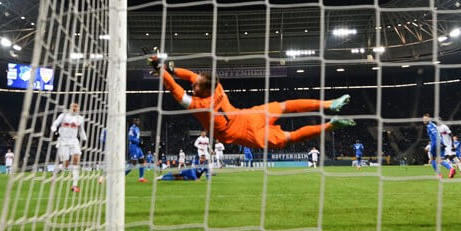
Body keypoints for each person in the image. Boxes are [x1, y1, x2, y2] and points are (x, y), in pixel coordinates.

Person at [150, 53, 354, 148]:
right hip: (247, 115)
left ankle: (329, 115)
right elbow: (188, 77)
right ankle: (329, 112)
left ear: (204, 89)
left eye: (197, 84)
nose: (193, 83)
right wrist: (171, 69)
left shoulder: (200, 106)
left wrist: (161, 70)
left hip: (243, 132)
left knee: (289, 135)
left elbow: (174, 89)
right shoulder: (216, 87)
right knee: (285, 112)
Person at [51, 102, 87, 193]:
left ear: (78, 108)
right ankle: (55, 172)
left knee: (76, 160)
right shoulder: (63, 116)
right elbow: (55, 124)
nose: (75, 108)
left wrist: (85, 138)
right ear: (70, 107)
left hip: (74, 141)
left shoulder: (80, 118)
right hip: (63, 141)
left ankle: (75, 185)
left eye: (76, 106)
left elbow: (81, 131)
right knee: (65, 164)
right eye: (73, 106)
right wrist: (55, 131)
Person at [422, 114, 454, 179]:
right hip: (441, 142)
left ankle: (439, 175)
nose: (424, 120)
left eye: (425, 119)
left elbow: (434, 134)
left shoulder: (430, 126)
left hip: (435, 143)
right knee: (439, 160)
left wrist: (437, 142)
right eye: (423, 119)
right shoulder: (434, 125)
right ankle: (451, 169)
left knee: (432, 159)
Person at [126, 118, 148, 183]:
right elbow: (130, 138)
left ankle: (141, 178)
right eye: (136, 120)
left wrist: (141, 141)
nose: (138, 122)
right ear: (134, 121)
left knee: (142, 161)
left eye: (138, 120)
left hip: (138, 147)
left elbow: (137, 137)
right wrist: (138, 142)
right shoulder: (132, 128)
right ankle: (121, 176)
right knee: (134, 164)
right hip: (133, 147)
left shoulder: (137, 128)